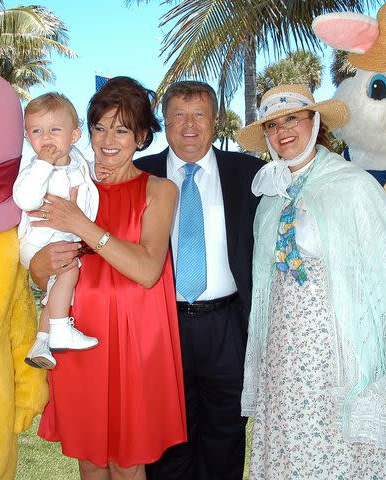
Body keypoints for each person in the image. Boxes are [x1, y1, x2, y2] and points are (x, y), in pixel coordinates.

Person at [235, 84, 386, 479]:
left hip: (344, 355)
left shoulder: (354, 186)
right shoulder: (270, 198)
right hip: (286, 362)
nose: (283, 131)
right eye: (272, 125)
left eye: (293, 118)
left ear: (315, 122)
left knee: (350, 453)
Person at [29, 76, 187, 480]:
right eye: (99, 127)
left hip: (136, 344)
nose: (107, 139)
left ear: (141, 137)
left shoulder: (160, 189)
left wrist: (82, 224)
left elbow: (147, 270)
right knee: (90, 460)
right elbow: (36, 264)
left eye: (121, 129)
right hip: (80, 337)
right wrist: (41, 264)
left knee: (128, 465)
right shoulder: (68, 184)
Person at [135, 81, 264, 480]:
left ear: (215, 121)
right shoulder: (139, 175)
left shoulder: (250, 174)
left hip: (227, 325)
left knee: (225, 437)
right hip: (160, 324)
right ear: (165, 122)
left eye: (199, 115)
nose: (189, 125)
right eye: (178, 116)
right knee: (167, 439)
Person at [13, 92, 99, 369]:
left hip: (59, 237)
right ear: (28, 138)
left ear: (73, 136)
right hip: (37, 242)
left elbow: (86, 182)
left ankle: (42, 341)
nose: (46, 138)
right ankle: (61, 328)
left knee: (59, 283)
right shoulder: (34, 169)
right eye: (37, 131)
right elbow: (25, 200)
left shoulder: (77, 161)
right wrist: (42, 166)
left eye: (55, 130)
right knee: (68, 271)